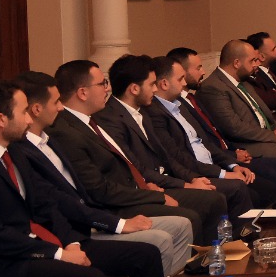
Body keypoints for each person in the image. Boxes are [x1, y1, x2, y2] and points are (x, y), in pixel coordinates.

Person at [0, 81, 155, 277]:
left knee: (145, 255)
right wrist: (58, 254)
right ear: (0, 119)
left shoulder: (14, 151)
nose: (29, 120)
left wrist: (70, 242)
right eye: (23, 112)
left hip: (40, 247)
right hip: (1, 266)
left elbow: (46, 204)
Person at [9, 71, 194, 275]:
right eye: (56, 102)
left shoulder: (49, 140)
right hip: (80, 226)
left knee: (182, 225)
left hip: (98, 212)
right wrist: (117, 223)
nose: (61, 108)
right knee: (159, 241)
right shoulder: (29, 149)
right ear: (36, 109)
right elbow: (60, 200)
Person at [47, 60, 208, 244]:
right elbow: (99, 189)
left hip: (137, 190)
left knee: (208, 200)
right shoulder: (67, 132)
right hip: (116, 206)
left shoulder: (90, 121)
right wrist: (154, 196)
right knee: (189, 217)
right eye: (102, 84)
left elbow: (129, 162)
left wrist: (147, 187)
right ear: (83, 92)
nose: (107, 89)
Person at [96, 55, 241, 228]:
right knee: (212, 199)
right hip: (148, 188)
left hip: (166, 180)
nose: (155, 89)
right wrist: (186, 185)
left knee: (221, 192)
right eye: (151, 84)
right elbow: (138, 167)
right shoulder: (110, 119)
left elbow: (167, 157)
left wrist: (193, 179)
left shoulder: (142, 111)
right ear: (134, 89)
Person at [150, 55, 276, 207]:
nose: (184, 83)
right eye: (180, 79)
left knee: (267, 185)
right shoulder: (156, 114)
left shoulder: (180, 105)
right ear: (164, 84)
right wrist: (223, 173)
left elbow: (206, 142)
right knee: (251, 190)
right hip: (197, 172)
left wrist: (233, 165)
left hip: (215, 163)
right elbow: (179, 157)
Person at [196, 40, 276, 179]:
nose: (257, 64)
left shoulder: (244, 82)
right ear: (237, 63)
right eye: (252, 61)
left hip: (266, 135)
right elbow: (233, 128)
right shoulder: (213, 87)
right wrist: (273, 136)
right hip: (247, 143)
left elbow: (263, 113)